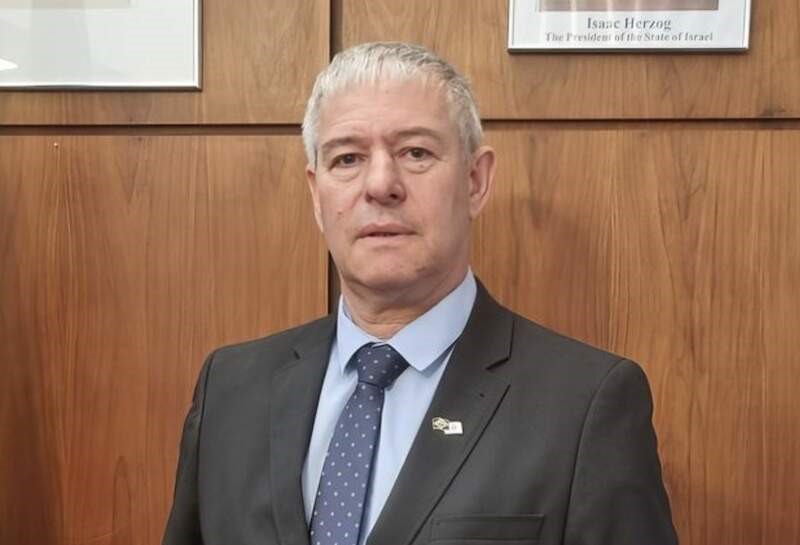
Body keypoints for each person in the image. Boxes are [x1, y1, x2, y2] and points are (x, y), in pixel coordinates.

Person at [163, 42, 678, 545]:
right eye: (347, 158)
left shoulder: (585, 404)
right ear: (317, 196)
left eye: (415, 152)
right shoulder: (230, 390)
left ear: (475, 181)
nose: (380, 184)